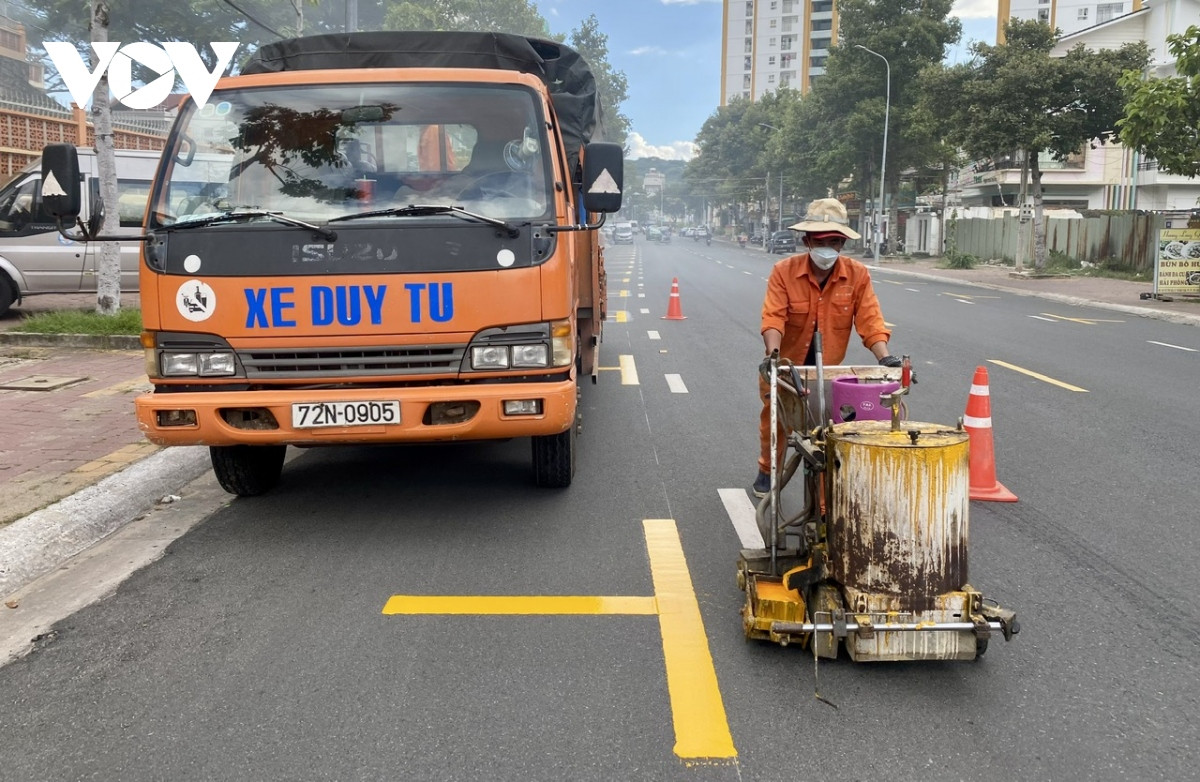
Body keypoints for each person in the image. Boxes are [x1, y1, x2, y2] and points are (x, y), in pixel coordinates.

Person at [752, 198, 903, 497]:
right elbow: (773, 317)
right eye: (820, 241)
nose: (827, 248)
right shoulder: (783, 271)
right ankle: (768, 469)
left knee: (833, 427)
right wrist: (773, 357)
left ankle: (826, 486)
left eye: (834, 241)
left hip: (828, 372)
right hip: (787, 368)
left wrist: (885, 358)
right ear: (807, 241)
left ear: (842, 243)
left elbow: (871, 320)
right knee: (776, 421)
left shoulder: (857, 275)